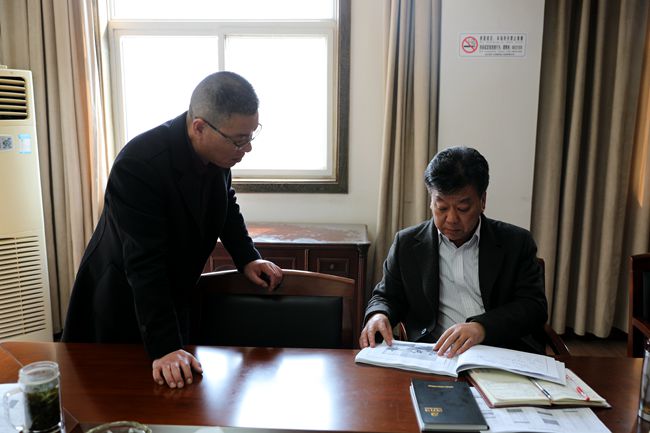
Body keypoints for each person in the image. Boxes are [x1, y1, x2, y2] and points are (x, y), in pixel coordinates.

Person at [62, 71, 283, 388]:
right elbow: (145, 263)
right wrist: (165, 347)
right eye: (239, 140)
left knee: (181, 394)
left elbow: (225, 204)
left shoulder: (218, 153)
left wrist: (247, 257)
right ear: (199, 127)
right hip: (126, 302)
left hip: (172, 295)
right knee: (121, 397)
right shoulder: (139, 164)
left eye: (251, 135)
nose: (247, 148)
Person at [360, 146, 548, 357]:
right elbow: (386, 296)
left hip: (501, 350)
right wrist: (378, 314)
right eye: (441, 208)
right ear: (431, 201)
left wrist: (481, 327)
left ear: (483, 201)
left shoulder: (516, 242)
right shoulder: (407, 244)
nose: (451, 219)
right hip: (436, 354)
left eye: (462, 209)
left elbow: (534, 307)